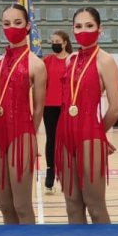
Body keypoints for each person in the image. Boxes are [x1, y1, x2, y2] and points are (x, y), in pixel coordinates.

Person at [56, 7, 118, 224]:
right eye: (78, 26)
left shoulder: (106, 60)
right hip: (64, 136)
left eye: (89, 26)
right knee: (72, 205)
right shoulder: (70, 60)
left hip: (89, 136)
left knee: (94, 205)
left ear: (100, 29)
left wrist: (97, 134)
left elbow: (115, 108)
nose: (83, 30)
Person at [0, 4, 46, 224]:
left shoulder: (36, 64)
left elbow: (39, 107)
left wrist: (29, 137)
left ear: (28, 26)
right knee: (5, 205)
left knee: (22, 205)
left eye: (18, 22)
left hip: (21, 134)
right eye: (6, 23)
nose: (11, 27)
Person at [42, 30, 70, 195]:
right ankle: (50, 173)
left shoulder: (72, 60)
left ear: (65, 42)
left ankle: (67, 173)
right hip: (49, 106)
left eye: (57, 41)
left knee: (67, 140)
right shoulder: (46, 61)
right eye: (52, 41)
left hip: (68, 107)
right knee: (51, 140)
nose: (54, 44)